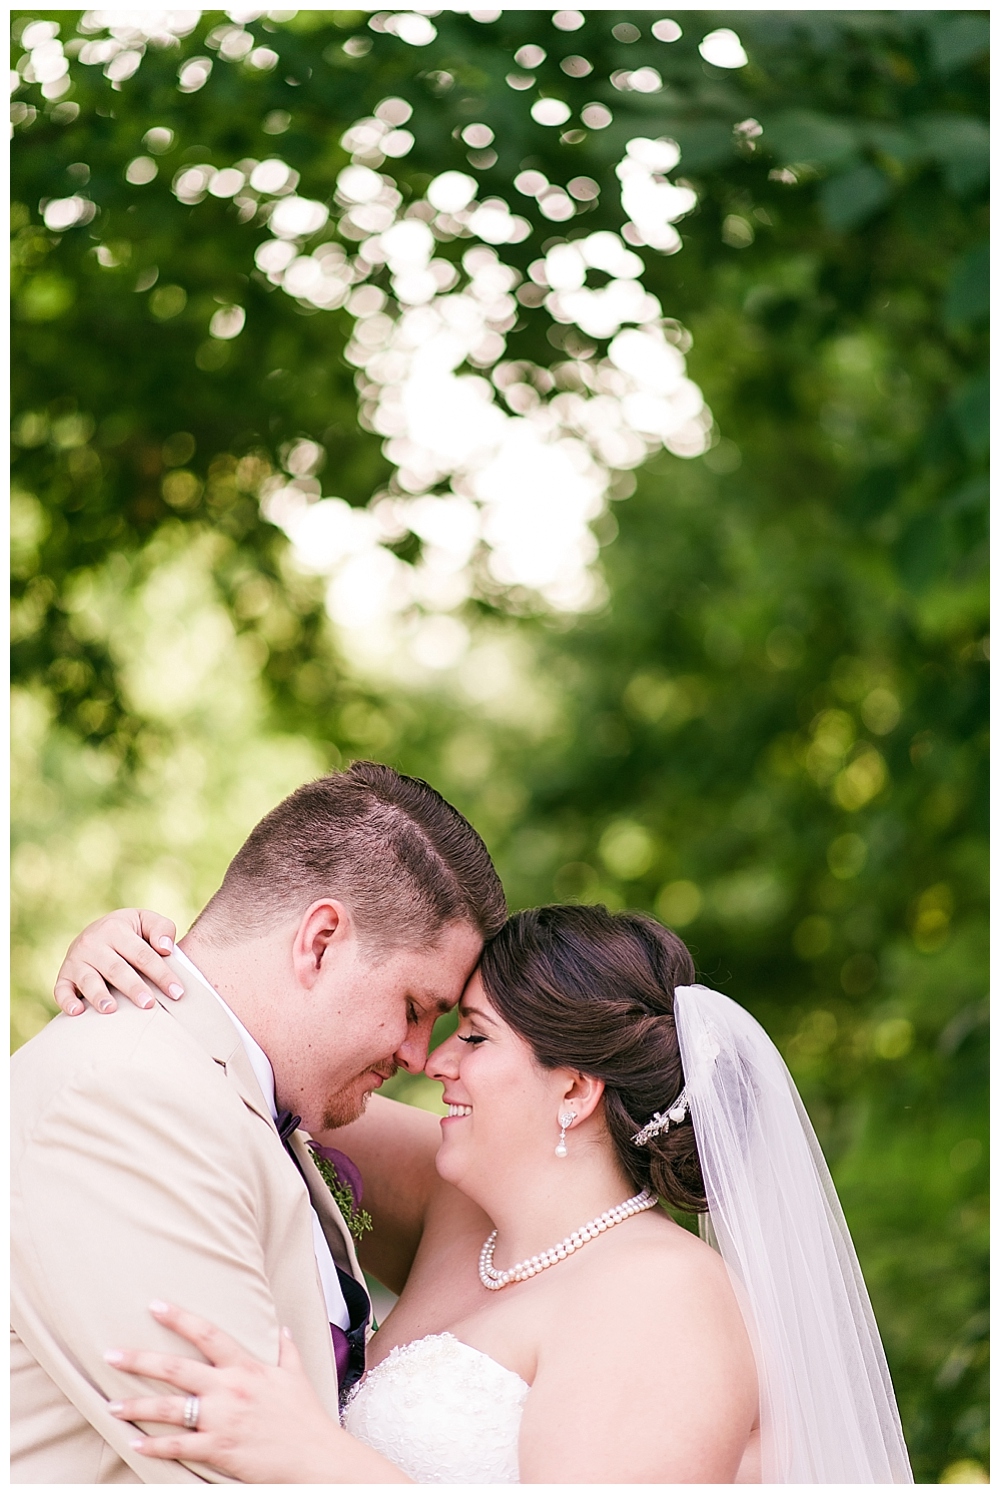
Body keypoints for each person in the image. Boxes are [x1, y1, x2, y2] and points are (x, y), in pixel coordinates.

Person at [48, 903, 913, 1483]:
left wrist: (318, 1461)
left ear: (573, 1089)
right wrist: (144, 962)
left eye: (472, 1035)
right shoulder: (469, 1213)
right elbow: (268, 1058)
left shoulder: (664, 1295)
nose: (433, 1062)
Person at [11, 761, 505, 1483]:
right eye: (412, 1009)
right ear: (322, 940)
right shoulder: (130, 1101)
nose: (416, 1056)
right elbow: (241, 1471)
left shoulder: (236, 1093)